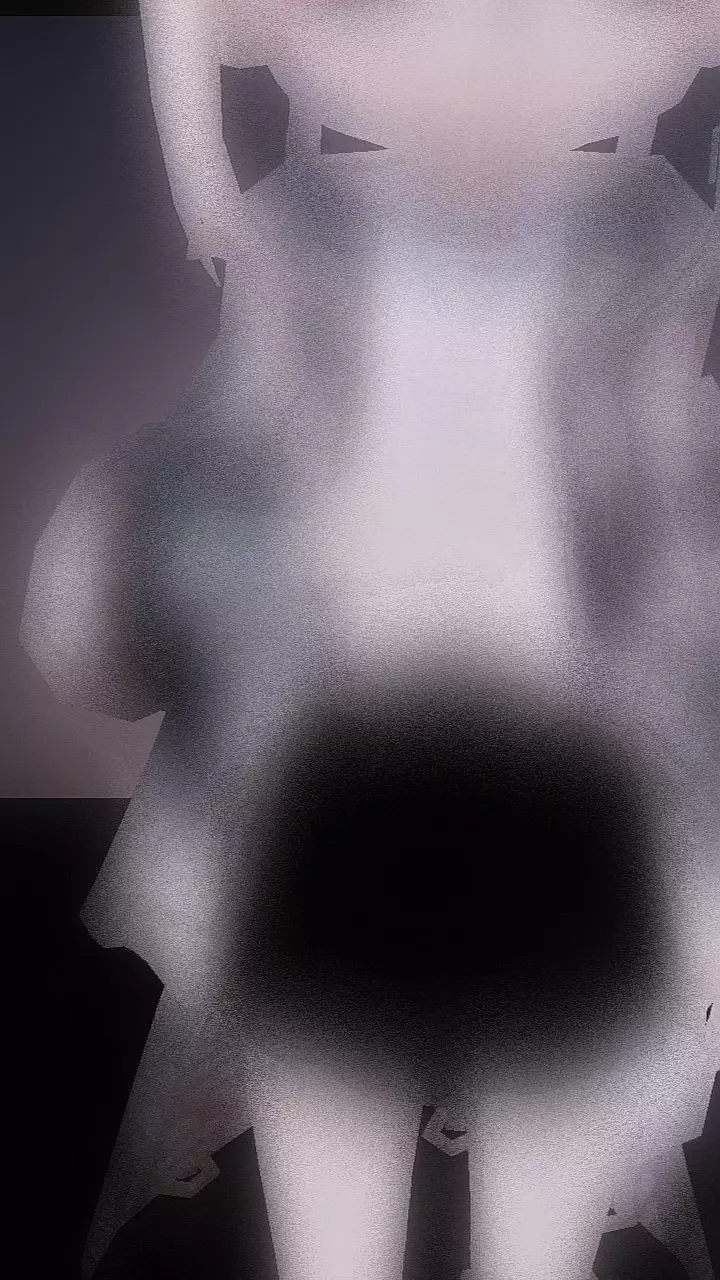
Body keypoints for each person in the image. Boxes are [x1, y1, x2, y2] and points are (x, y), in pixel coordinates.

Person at [20, 3, 719, 1279]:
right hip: (333, 823)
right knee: (335, 1214)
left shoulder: (653, 268)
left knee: (528, 1216)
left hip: (566, 833)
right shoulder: (296, 263)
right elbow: (150, 567)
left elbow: (675, 566)